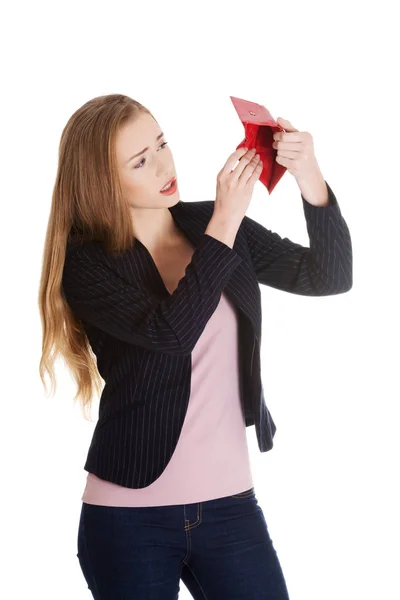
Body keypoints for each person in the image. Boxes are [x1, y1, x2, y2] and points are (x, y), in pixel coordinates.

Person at [38, 93, 352, 599]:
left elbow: (329, 276)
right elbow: (172, 334)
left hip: (231, 509)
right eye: (140, 161)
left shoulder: (214, 226)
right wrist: (224, 221)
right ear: (103, 182)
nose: (165, 165)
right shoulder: (87, 265)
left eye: (162, 143)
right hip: (127, 519)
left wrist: (309, 175)